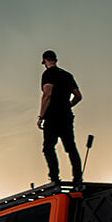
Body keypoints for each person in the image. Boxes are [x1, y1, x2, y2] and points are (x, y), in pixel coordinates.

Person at [36, 50, 83, 187]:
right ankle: (78, 178)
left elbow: (47, 95)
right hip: (66, 116)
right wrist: (68, 106)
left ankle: (55, 177)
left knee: (48, 147)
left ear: (45, 61)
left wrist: (41, 116)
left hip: (52, 117)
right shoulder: (67, 75)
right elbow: (78, 96)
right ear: (55, 60)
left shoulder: (48, 74)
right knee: (70, 147)